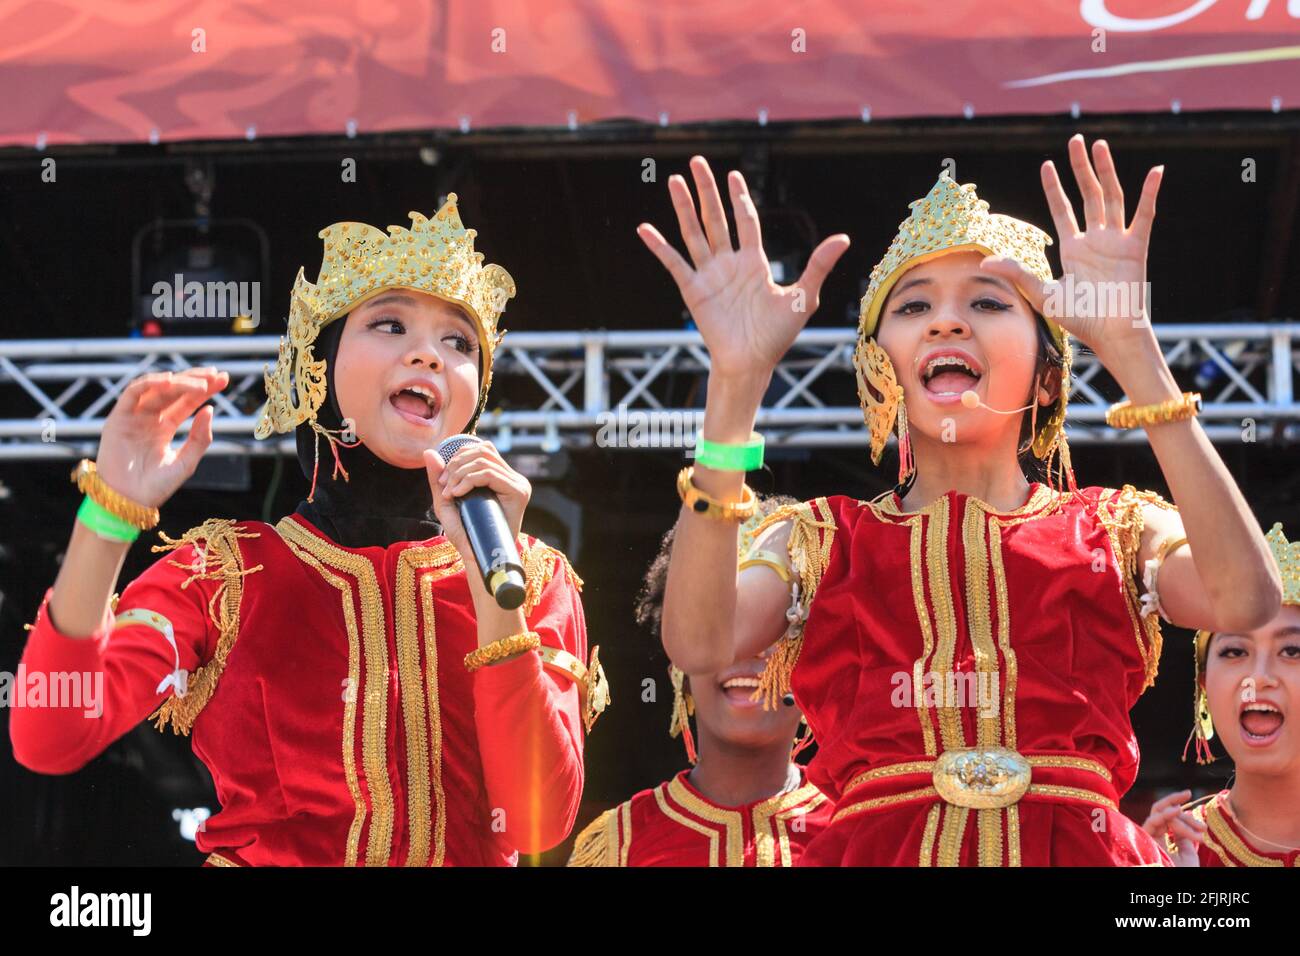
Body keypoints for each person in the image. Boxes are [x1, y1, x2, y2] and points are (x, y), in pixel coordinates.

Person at [637, 136, 1282, 866]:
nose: (947, 321)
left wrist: (1135, 352)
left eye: (985, 301)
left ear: (1047, 377)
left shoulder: (1112, 528)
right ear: (882, 372)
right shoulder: (820, 539)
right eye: (914, 306)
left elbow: (1246, 602)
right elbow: (695, 641)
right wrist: (735, 386)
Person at [10, 197, 607, 866]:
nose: (430, 356)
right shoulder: (228, 571)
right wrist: (109, 513)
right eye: (389, 324)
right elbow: (51, 733)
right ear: (315, 372)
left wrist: (500, 603)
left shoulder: (531, 574)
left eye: (458, 343)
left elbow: (536, 823)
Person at [567, 497, 831, 866]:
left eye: (776, 626)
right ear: (681, 668)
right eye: (721, 627)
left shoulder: (859, 827)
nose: (750, 650)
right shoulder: (620, 844)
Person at [1143, 522, 1299, 867]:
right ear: (1204, 686)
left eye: (1291, 651)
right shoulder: (1165, 852)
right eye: (1234, 652)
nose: (1258, 678)